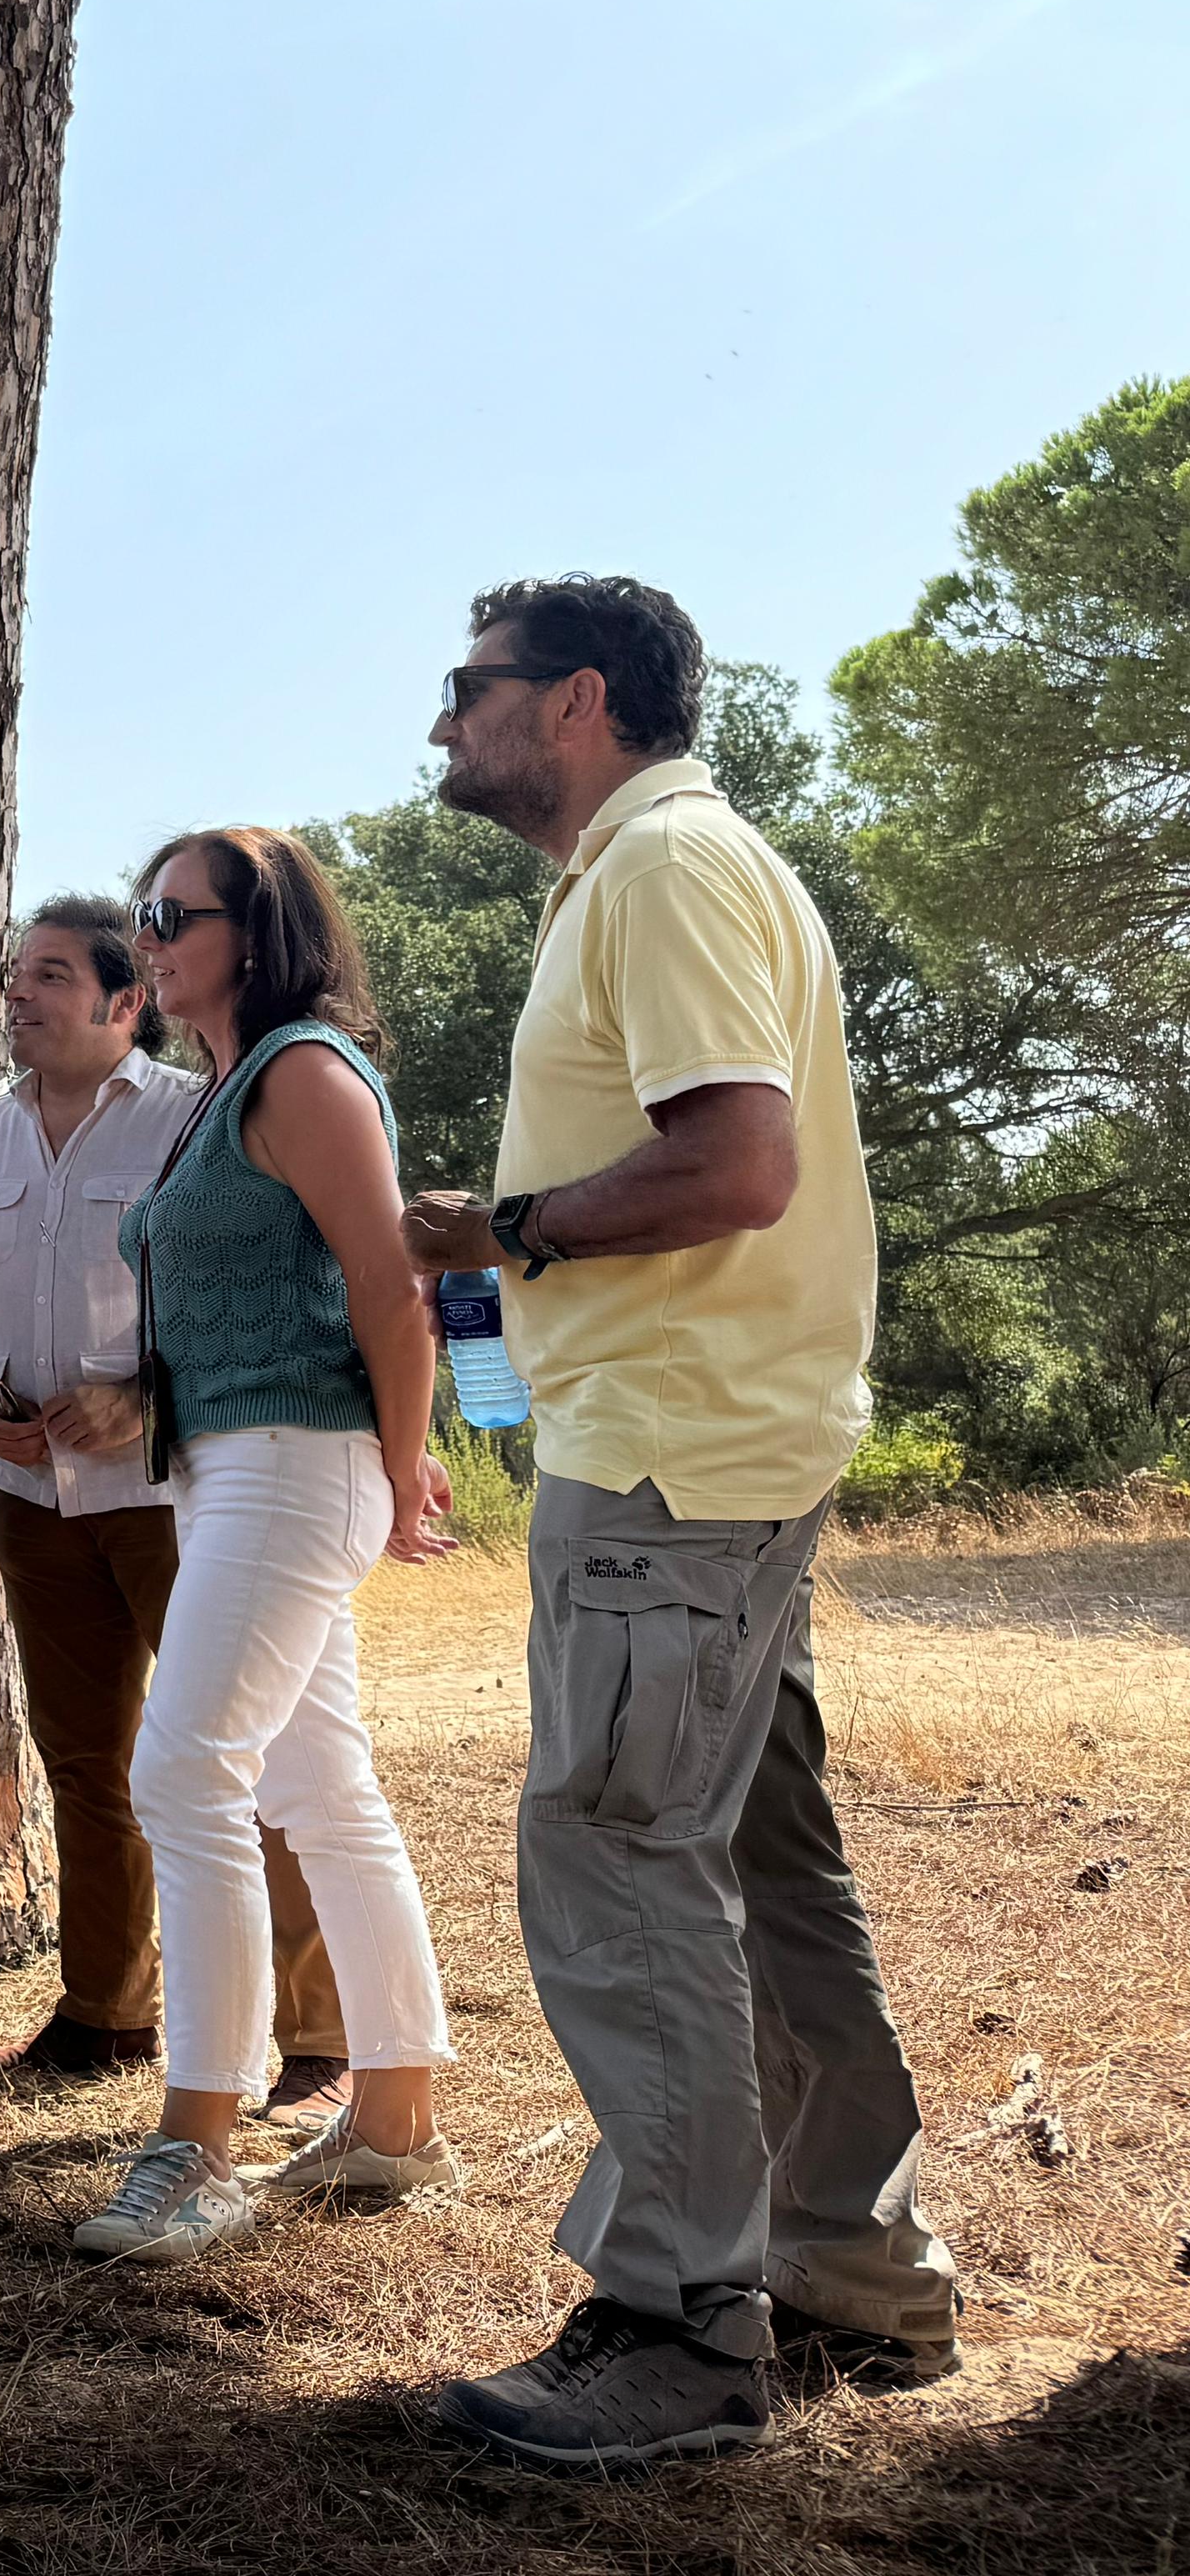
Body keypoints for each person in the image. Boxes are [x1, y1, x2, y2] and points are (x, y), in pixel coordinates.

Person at [407, 576, 960, 2468]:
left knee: (620, 1858)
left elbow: (735, 1162)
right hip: (714, 1452)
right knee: (762, 1867)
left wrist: (508, 1232)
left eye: (465, 689)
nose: (439, 724)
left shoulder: (662, 870)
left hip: (672, 1467)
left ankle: (680, 2330)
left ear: (574, 701)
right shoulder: (650, 875)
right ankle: (844, 2269)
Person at [60, 831, 458, 2264]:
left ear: (258, 926)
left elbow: (389, 1283)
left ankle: (198, 2144)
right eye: (142, 915)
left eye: (175, 916)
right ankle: (397, 2117)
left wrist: (405, 1470)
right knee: (318, 1782)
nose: (150, 939)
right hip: (223, 1462)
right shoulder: (225, 1088)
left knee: (183, 1770)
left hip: (296, 1464)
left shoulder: (303, 1069)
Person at [0, 895, 350, 2112]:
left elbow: (259, 1288)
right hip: (28, 1492)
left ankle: (318, 2041)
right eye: (12, 977)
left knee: (246, 1756)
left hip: (177, 1488)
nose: (18, 996)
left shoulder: (196, 1121)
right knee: (85, 1758)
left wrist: (146, 1393)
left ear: (126, 1002)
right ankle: (106, 2012)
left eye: (49, 976)